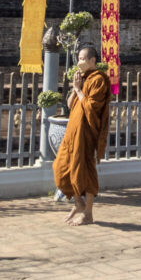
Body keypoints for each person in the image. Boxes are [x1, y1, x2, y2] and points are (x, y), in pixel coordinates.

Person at [52, 44, 111, 226]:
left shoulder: (99, 79)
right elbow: (71, 105)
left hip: (86, 132)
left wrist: (79, 89)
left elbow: (92, 108)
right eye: (78, 58)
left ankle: (88, 213)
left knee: (85, 171)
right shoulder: (82, 79)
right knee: (61, 168)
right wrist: (74, 87)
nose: (79, 62)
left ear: (93, 61)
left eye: (83, 59)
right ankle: (78, 203)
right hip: (73, 132)